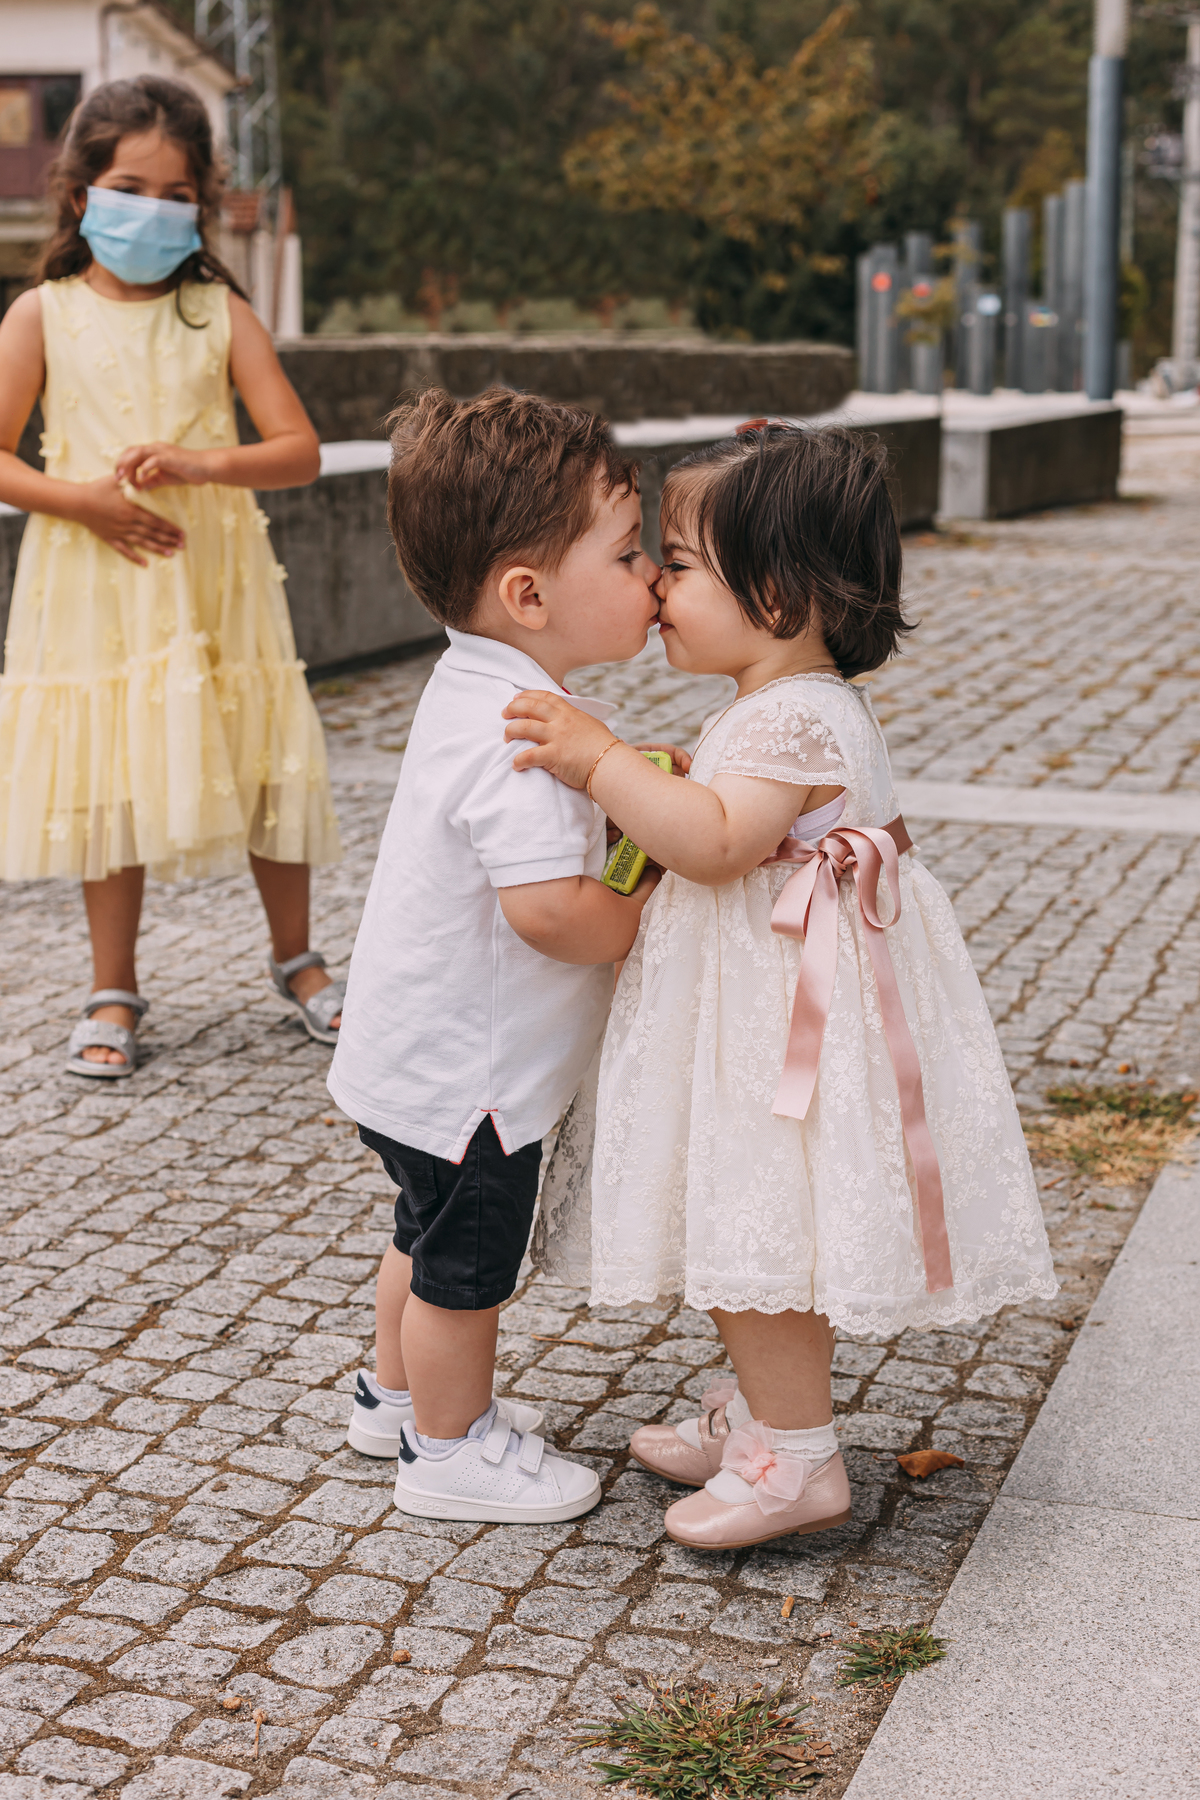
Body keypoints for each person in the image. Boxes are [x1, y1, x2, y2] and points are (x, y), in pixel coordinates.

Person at [504, 422, 1059, 1551]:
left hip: (776, 1026)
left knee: (761, 1226)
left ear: (779, 591)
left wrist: (598, 757)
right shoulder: (775, 703)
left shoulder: (799, 712)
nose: (657, 583)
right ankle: (763, 1417)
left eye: (683, 561)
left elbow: (713, 845)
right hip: (755, 1002)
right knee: (740, 1220)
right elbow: (722, 820)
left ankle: (796, 1459)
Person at [331, 386, 670, 1525]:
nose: (655, 576)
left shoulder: (479, 683)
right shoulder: (526, 734)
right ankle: (449, 1448)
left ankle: (391, 1393)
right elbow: (550, 915)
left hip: (409, 1059)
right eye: (630, 554)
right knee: (464, 1270)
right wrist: (642, 902)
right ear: (528, 594)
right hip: (475, 1082)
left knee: (415, 1232)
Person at [0, 75, 344, 1079]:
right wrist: (83, 500)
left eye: (174, 192)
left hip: (213, 572)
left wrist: (205, 463)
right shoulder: (42, 315)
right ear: (80, 193)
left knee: (261, 751)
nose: (152, 209)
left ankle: (301, 962)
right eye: (130, 185)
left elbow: (300, 450)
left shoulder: (217, 312)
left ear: (200, 202)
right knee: (112, 762)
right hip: (93, 573)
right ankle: (113, 987)